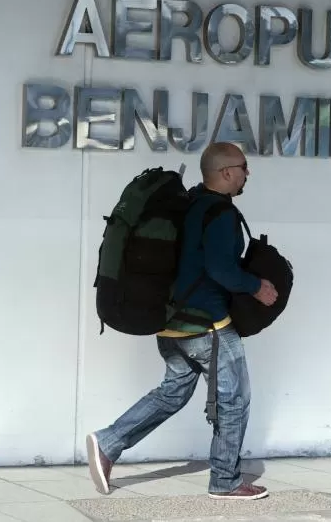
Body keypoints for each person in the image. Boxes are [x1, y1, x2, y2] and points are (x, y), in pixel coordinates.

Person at [85, 142, 278, 499]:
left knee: (173, 393)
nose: (247, 173)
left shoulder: (187, 203)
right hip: (207, 326)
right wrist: (257, 286)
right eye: (243, 166)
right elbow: (221, 269)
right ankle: (226, 480)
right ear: (225, 172)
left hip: (170, 324)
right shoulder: (219, 213)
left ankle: (108, 442)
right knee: (234, 399)